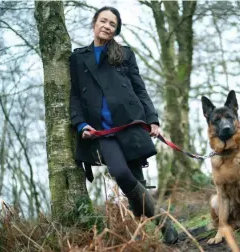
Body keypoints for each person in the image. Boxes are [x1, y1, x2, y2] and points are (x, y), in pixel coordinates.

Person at [69, 6, 178, 244]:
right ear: (94, 23)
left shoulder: (125, 54)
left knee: (135, 183)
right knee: (120, 173)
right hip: (103, 132)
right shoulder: (78, 58)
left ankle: (142, 241)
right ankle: (163, 222)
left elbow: (140, 87)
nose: (107, 26)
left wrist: (152, 119)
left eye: (112, 24)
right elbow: (75, 96)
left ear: (116, 30)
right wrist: (81, 125)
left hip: (131, 125)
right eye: (103, 21)